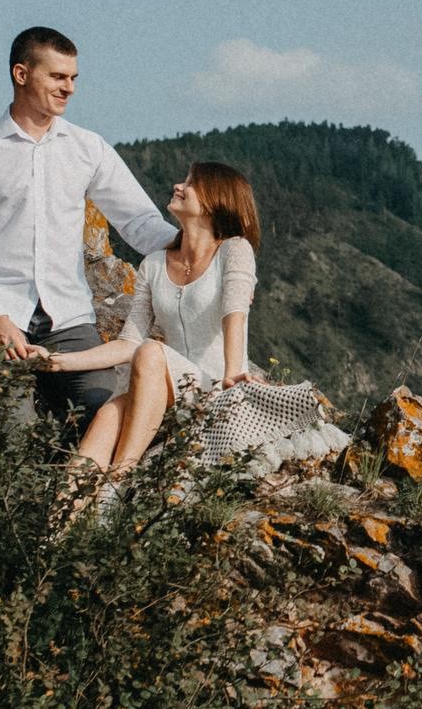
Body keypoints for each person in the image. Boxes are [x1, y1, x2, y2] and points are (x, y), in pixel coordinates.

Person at [0, 26, 177, 423]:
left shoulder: (88, 148)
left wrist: (200, 251)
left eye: (73, 78)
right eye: (58, 76)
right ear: (21, 74)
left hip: (68, 318)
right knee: (9, 431)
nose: (70, 88)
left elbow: (138, 221)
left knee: (105, 413)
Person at [32, 162, 262, 475]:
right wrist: (57, 361)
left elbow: (234, 312)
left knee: (152, 350)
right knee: (108, 415)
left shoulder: (235, 249)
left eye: (190, 183)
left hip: (214, 386)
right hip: (165, 387)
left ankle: (122, 473)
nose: (178, 186)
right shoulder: (154, 264)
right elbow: (129, 342)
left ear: (215, 199)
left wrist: (233, 374)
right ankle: (70, 516)